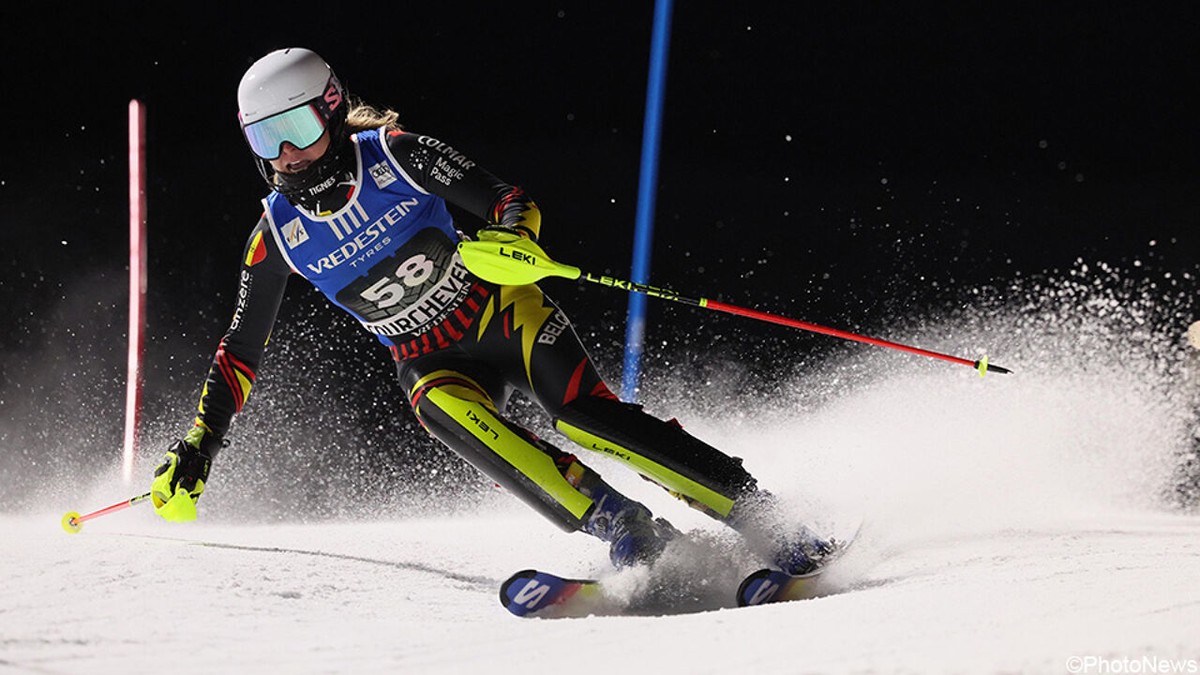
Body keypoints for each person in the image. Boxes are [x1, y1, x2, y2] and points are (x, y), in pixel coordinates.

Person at [151, 47, 832, 574]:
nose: (287, 155)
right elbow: (240, 351)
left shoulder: (395, 157)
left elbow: (509, 200)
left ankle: (761, 513)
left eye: (297, 127)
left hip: (502, 315)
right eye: (266, 140)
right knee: (437, 406)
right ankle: (628, 528)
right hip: (430, 359)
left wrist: (512, 238)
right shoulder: (277, 236)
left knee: (585, 418)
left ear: (330, 109)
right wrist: (197, 448)